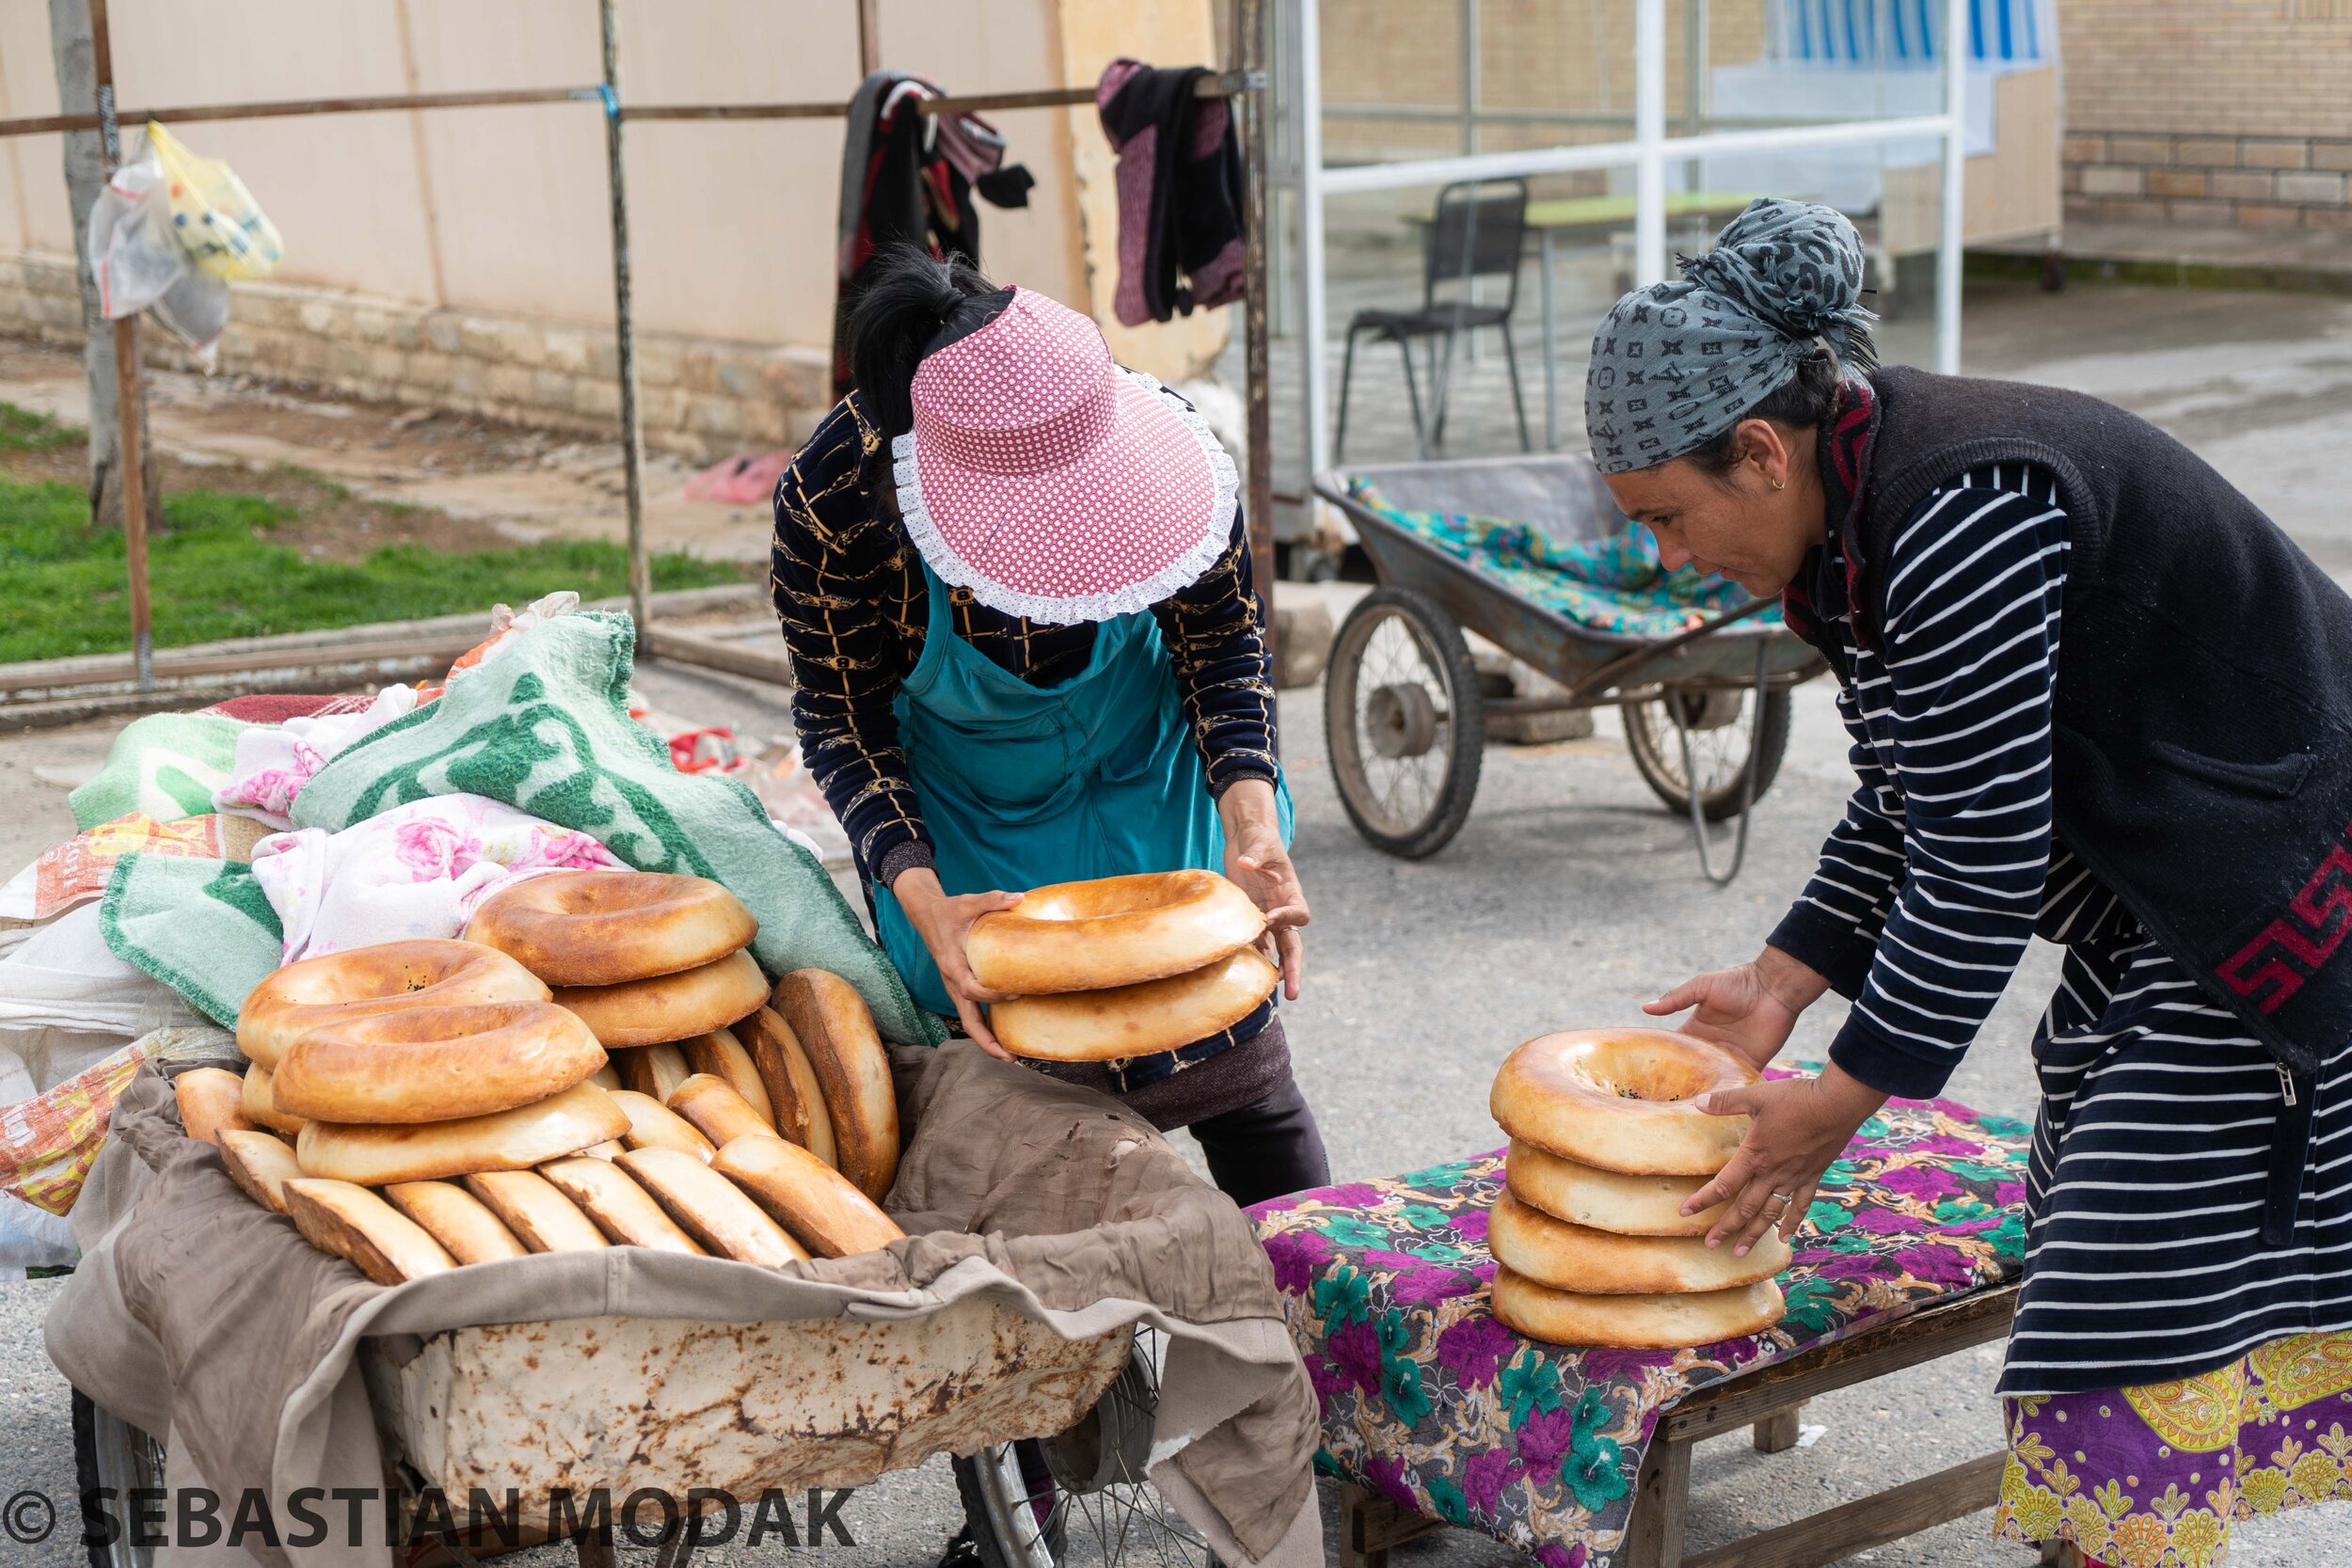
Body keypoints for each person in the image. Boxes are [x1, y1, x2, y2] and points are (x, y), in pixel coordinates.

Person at [1588, 198, 2352, 1567]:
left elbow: (1983, 859)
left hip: (2277, 883)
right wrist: (1776, 984)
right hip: (2175, 887)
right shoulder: (1860, 521)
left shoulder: (1954, 510)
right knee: (2090, 1228)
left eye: (1667, 515)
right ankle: (2110, 1540)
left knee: (2127, 1277)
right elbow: (1910, 792)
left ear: (1761, 450)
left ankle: (2122, 1545)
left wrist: (1838, 1098)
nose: (1671, 556)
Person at [771, 246, 1329, 1211]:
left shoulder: (1168, 443)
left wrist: (1250, 826)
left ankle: (1307, 1336)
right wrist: (924, 896)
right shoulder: (835, 499)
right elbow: (842, 720)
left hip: (1152, 771)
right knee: (1059, 1159)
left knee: (1246, 1092)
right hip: (971, 820)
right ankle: (1141, 1364)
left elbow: (1223, 646)